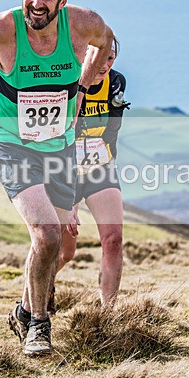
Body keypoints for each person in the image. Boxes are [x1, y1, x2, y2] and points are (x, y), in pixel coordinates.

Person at [0, 0, 114, 356]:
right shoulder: (2, 28)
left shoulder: (84, 24)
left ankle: (23, 310)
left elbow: (106, 41)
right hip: (9, 141)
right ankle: (39, 324)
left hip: (59, 143)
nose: (36, 4)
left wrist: (83, 86)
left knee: (58, 247)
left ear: (62, 0)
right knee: (47, 233)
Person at [57, 38, 128, 308]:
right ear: (84, 56)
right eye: (99, 57)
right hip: (64, 171)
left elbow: (112, 130)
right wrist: (70, 201)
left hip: (101, 169)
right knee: (65, 253)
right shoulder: (68, 84)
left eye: (110, 58)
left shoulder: (117, 82)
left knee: (113, 240)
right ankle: (37, 293)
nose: (104, 65)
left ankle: (108, 314)